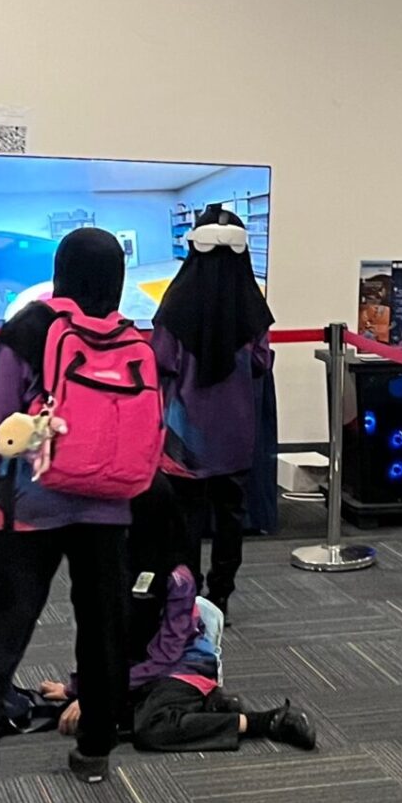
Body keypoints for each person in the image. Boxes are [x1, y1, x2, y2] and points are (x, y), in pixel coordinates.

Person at [0, 227, 135, 803]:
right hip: (108, 503)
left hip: (32, 505)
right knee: (103, 627)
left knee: (0, 630)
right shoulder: (131, 337)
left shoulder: (28, 329)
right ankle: (96, 748)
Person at [136, 205, 273, 618]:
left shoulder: (175, 304)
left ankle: (186, 602)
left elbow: (161, 362)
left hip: (186, 437)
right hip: (236, 431)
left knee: (186, 519)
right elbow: (261, 364)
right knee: (231, 514)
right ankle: (222, 597)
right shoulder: (253, 306)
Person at [38, 561, 318, 752]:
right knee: (91, 721)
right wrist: (76, 689)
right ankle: (207, 708)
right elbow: (98, 643)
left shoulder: (177, 577)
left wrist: (95, 695)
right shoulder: (107, 568)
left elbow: (164, 658)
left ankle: (265, 722)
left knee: (150, 729)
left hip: (185, 665)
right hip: (140, 672)